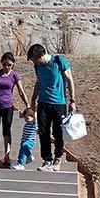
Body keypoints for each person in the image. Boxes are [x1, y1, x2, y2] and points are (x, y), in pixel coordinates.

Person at [26, 42, 77, 172]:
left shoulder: (59, 61)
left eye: (35, 60)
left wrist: (72, 100)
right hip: (43, 103)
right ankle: (47, 160)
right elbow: (38, 82)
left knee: (58, 132)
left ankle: (58, 158)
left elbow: (70, 80)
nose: (34, 63)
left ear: (41, 55)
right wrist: (33, 99)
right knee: (43, 131)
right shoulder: (37, 67)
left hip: (59, 103)